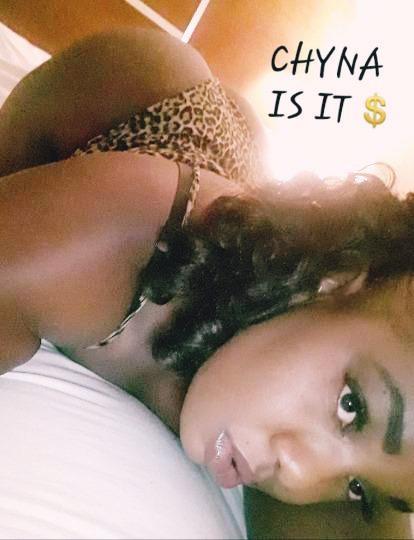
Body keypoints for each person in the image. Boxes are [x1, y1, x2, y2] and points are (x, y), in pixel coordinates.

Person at [0, 27, 412, 539]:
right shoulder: (117, 236)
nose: (301, 475)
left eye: (358, 489)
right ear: (339, 277)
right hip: (139, 90)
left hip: (254, 203)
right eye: (350, 406)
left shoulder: (352, 416)